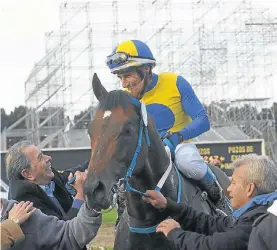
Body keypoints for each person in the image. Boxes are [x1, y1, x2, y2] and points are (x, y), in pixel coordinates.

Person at [106, 39, 226, 215]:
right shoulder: (124, 100)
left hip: (179, 146)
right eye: (120, 78)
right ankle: (123, 219)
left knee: (189, 162)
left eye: (128, 75)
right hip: (146, 155)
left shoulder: (175, 82)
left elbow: (202, 120)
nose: (124, 84)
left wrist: (177, 137)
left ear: (146, 69)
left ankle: (219, 200)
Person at [143, 154, 277, 250]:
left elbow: (211, 245)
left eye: (234, 183)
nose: (228, 189)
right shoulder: (258, 212)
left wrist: (175, 233)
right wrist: (168, 205)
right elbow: (213, 224)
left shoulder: (258, 222)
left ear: (250, 189)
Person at [6, 140, 88, 220]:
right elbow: (63, 230)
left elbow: (66, 176)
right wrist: (79, 195)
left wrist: (95, 164)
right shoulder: (25, 203)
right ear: (28, 174)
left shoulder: (47, 177)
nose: (49, 158)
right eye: (40, 157)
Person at [0, 198, 101, 250]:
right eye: (40, 157)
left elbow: (69, 235)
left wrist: (92, 202)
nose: (49, 158)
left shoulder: (23, 212)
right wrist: (13, 223)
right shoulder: (18, 214)